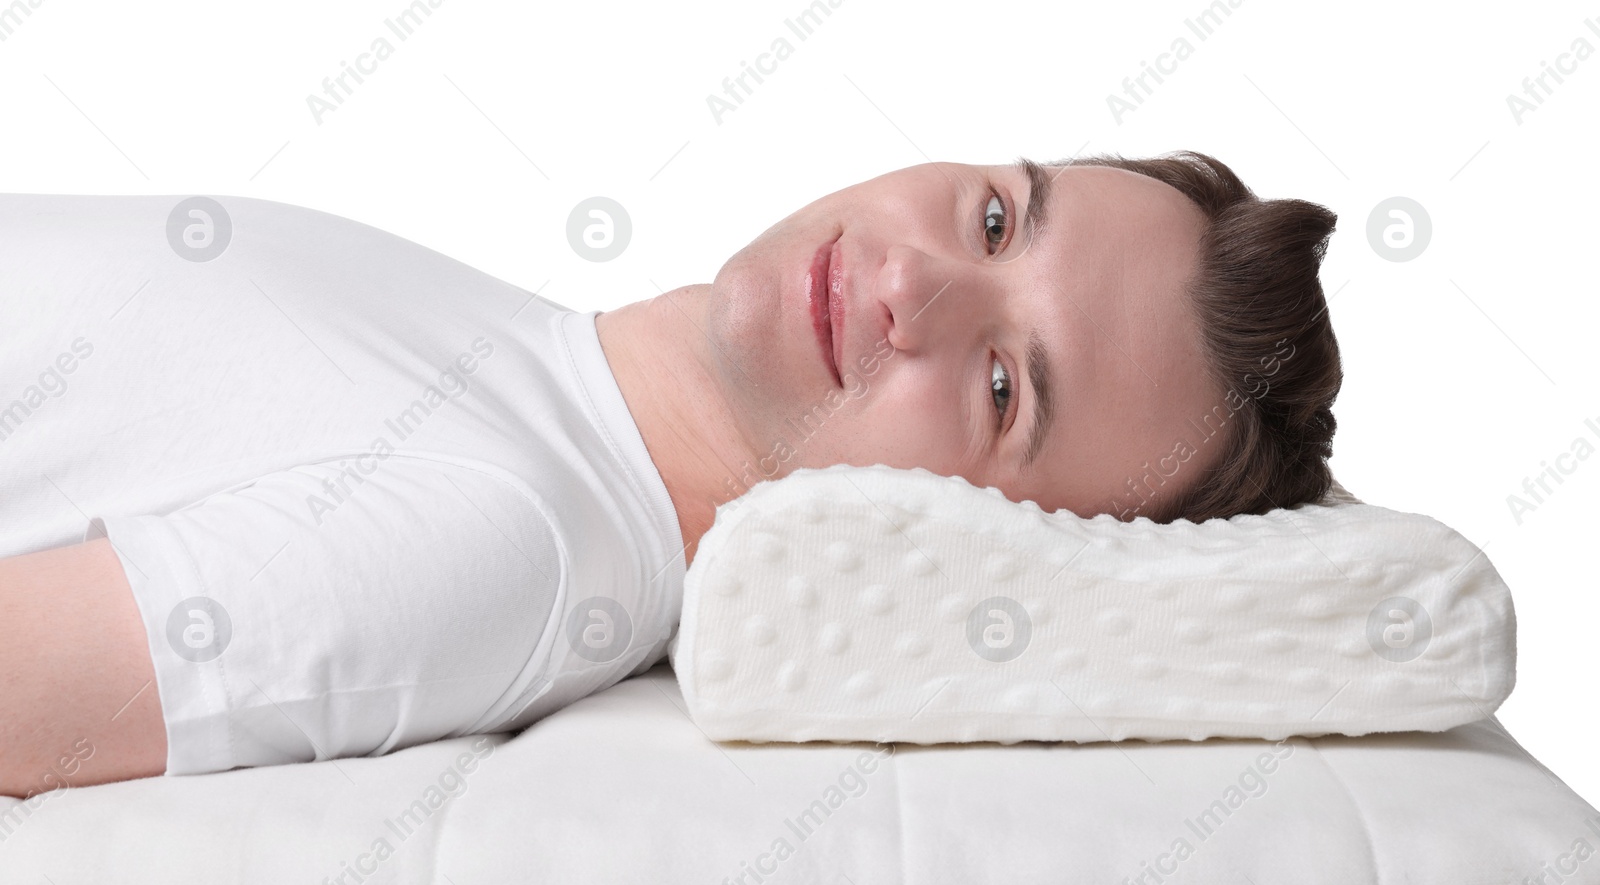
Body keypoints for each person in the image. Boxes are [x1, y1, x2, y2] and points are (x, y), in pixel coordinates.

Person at [0, 151, 1341, 798]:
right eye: (997, 217)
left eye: (1004, 387)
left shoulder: (505, 541)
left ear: (986, 538)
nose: (916, 281)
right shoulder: (537, 373)